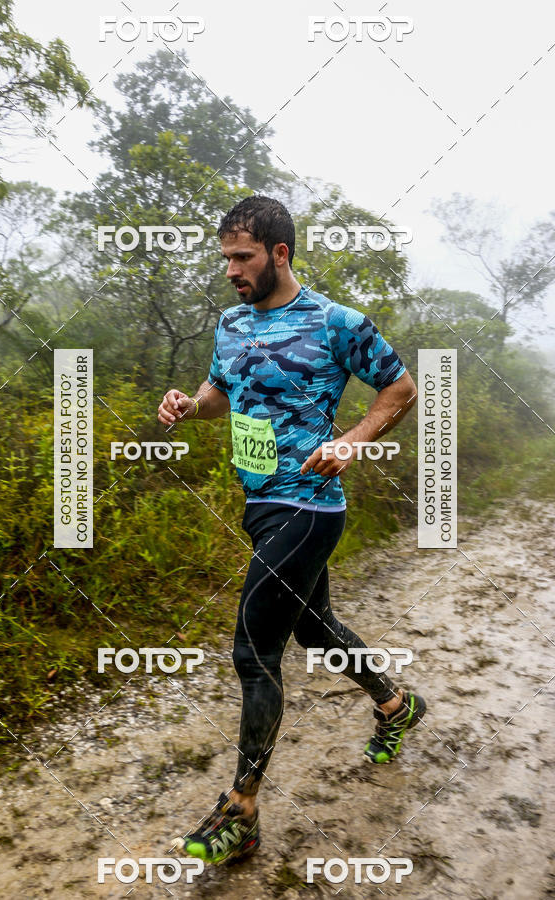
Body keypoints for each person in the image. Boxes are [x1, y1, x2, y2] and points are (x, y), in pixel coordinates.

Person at [158, 195, 426, 866]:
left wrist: (353, 441)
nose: (231, 270)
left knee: (255, 653)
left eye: (242, 257)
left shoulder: (337, 323)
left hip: (309, 505)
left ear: (280, 253)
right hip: (261, 504)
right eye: (225, 258)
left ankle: (241, 810)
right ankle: (395, 705)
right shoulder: (230, 323)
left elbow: (401, 390)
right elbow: (220, 395)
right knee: (313, 625)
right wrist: (188, 407)